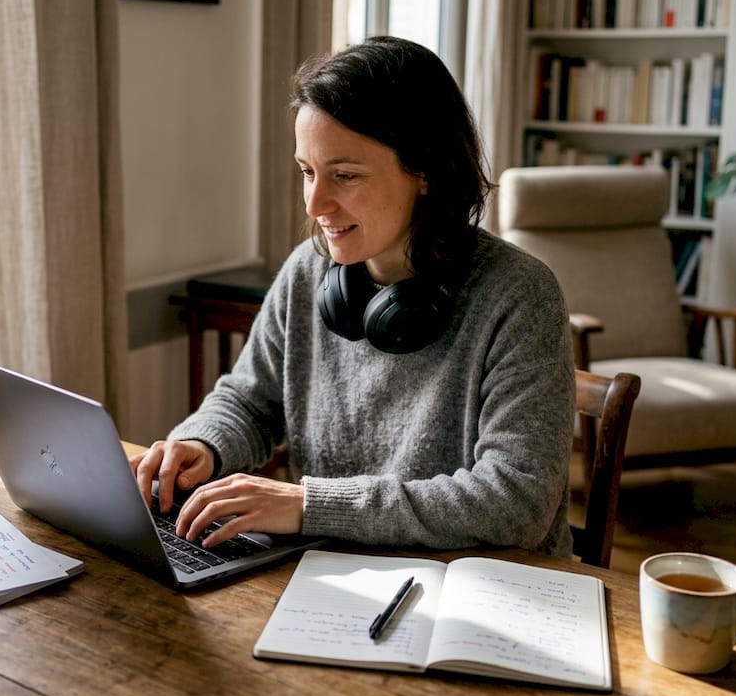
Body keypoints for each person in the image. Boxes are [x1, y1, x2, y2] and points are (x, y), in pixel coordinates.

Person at [130, 36, 575, 557]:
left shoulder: (520, 295)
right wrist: (202, 444)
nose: (316, 202)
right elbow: (250, 400)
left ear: (425, 170)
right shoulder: (307, 271)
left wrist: (308, 505)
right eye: (307, 172)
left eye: (344, 175)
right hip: (336, 573)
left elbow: (514, 501)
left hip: (484, 590)